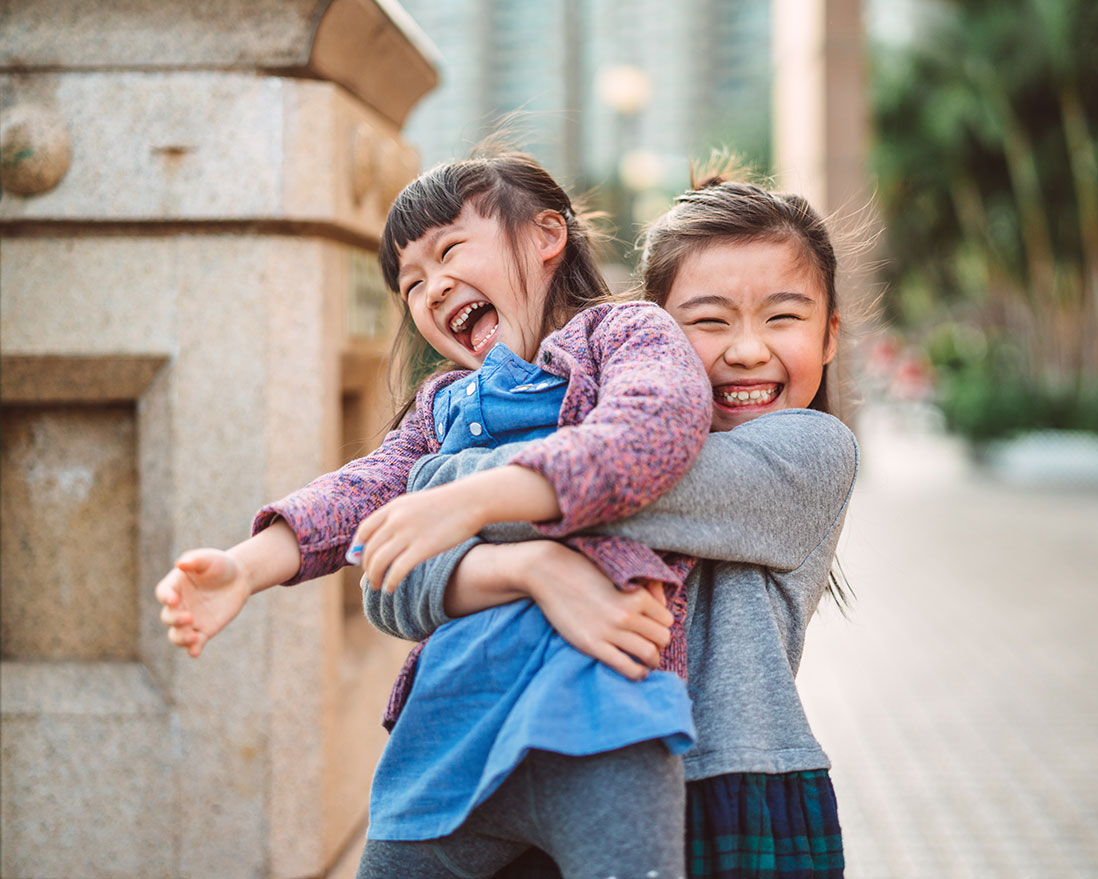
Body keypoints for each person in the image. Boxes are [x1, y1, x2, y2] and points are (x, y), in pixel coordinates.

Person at [156, 149, 716, 879]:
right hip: (446, 735)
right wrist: (244, 566)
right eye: (411, 284)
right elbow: (362, 491)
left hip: (603, 723)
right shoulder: (442, 405)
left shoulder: (621, 335)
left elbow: (651, 432)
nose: (432, 288)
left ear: (547, 236)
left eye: (450, 250)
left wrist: (466, 499)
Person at [373, 174, 859, 879]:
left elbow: (614, 484)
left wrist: (435, 484)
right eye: (711, 320)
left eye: (783, 318)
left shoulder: (811, 453)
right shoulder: (578, 438)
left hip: (726, 787)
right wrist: (528, 568)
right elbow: (389, 581)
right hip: (566, 761)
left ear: (830, 333)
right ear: (654, 332)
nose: (748, 349)